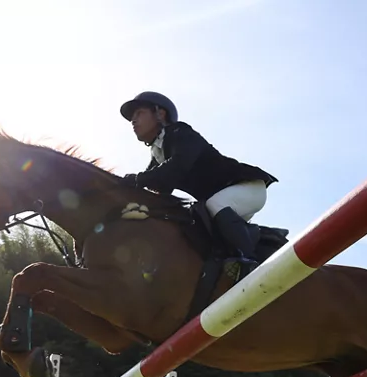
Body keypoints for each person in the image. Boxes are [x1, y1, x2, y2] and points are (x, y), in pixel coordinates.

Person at [119, 91, 278, 270]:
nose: (133, 121)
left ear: (160, 113)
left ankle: (248, 262)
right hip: (224, 200)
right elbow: (158, 189)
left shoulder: (180, 132)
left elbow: (176, 167)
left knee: (213, 204)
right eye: (132, 117)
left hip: (247, 187)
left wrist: (137, 180)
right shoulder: (158, 151)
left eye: (139, 113)